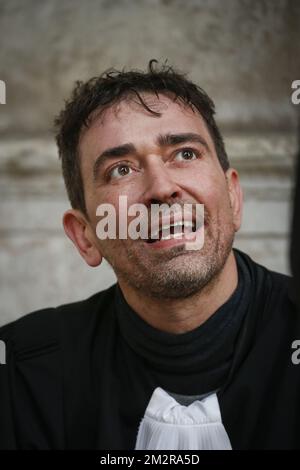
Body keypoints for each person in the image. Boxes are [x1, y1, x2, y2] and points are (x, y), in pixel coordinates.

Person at [0, 60, 299, 450]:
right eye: (121, 169)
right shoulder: (20, 376)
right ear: (85, 236)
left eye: (185, 154)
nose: (161, 188)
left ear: (234, 197)